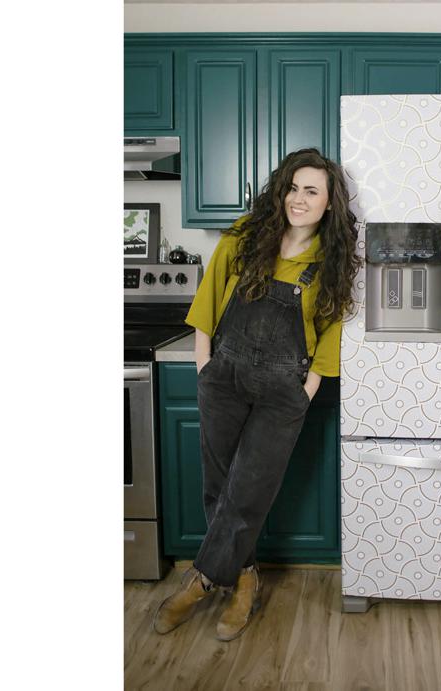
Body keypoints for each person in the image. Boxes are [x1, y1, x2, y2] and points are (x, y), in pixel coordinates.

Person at [153, 148, 362, 641]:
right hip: (223, 377)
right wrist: (204, 364)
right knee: (219, 487)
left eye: (312, 191)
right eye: (293, 187)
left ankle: (202, 581)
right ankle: (245, 578)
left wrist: (308, 389)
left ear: (330, 204)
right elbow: (207, 299)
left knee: (249, 491)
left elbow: (330, 331)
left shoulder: (330, 262)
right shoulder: (244, 240)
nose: (298, 198)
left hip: (283, 393)